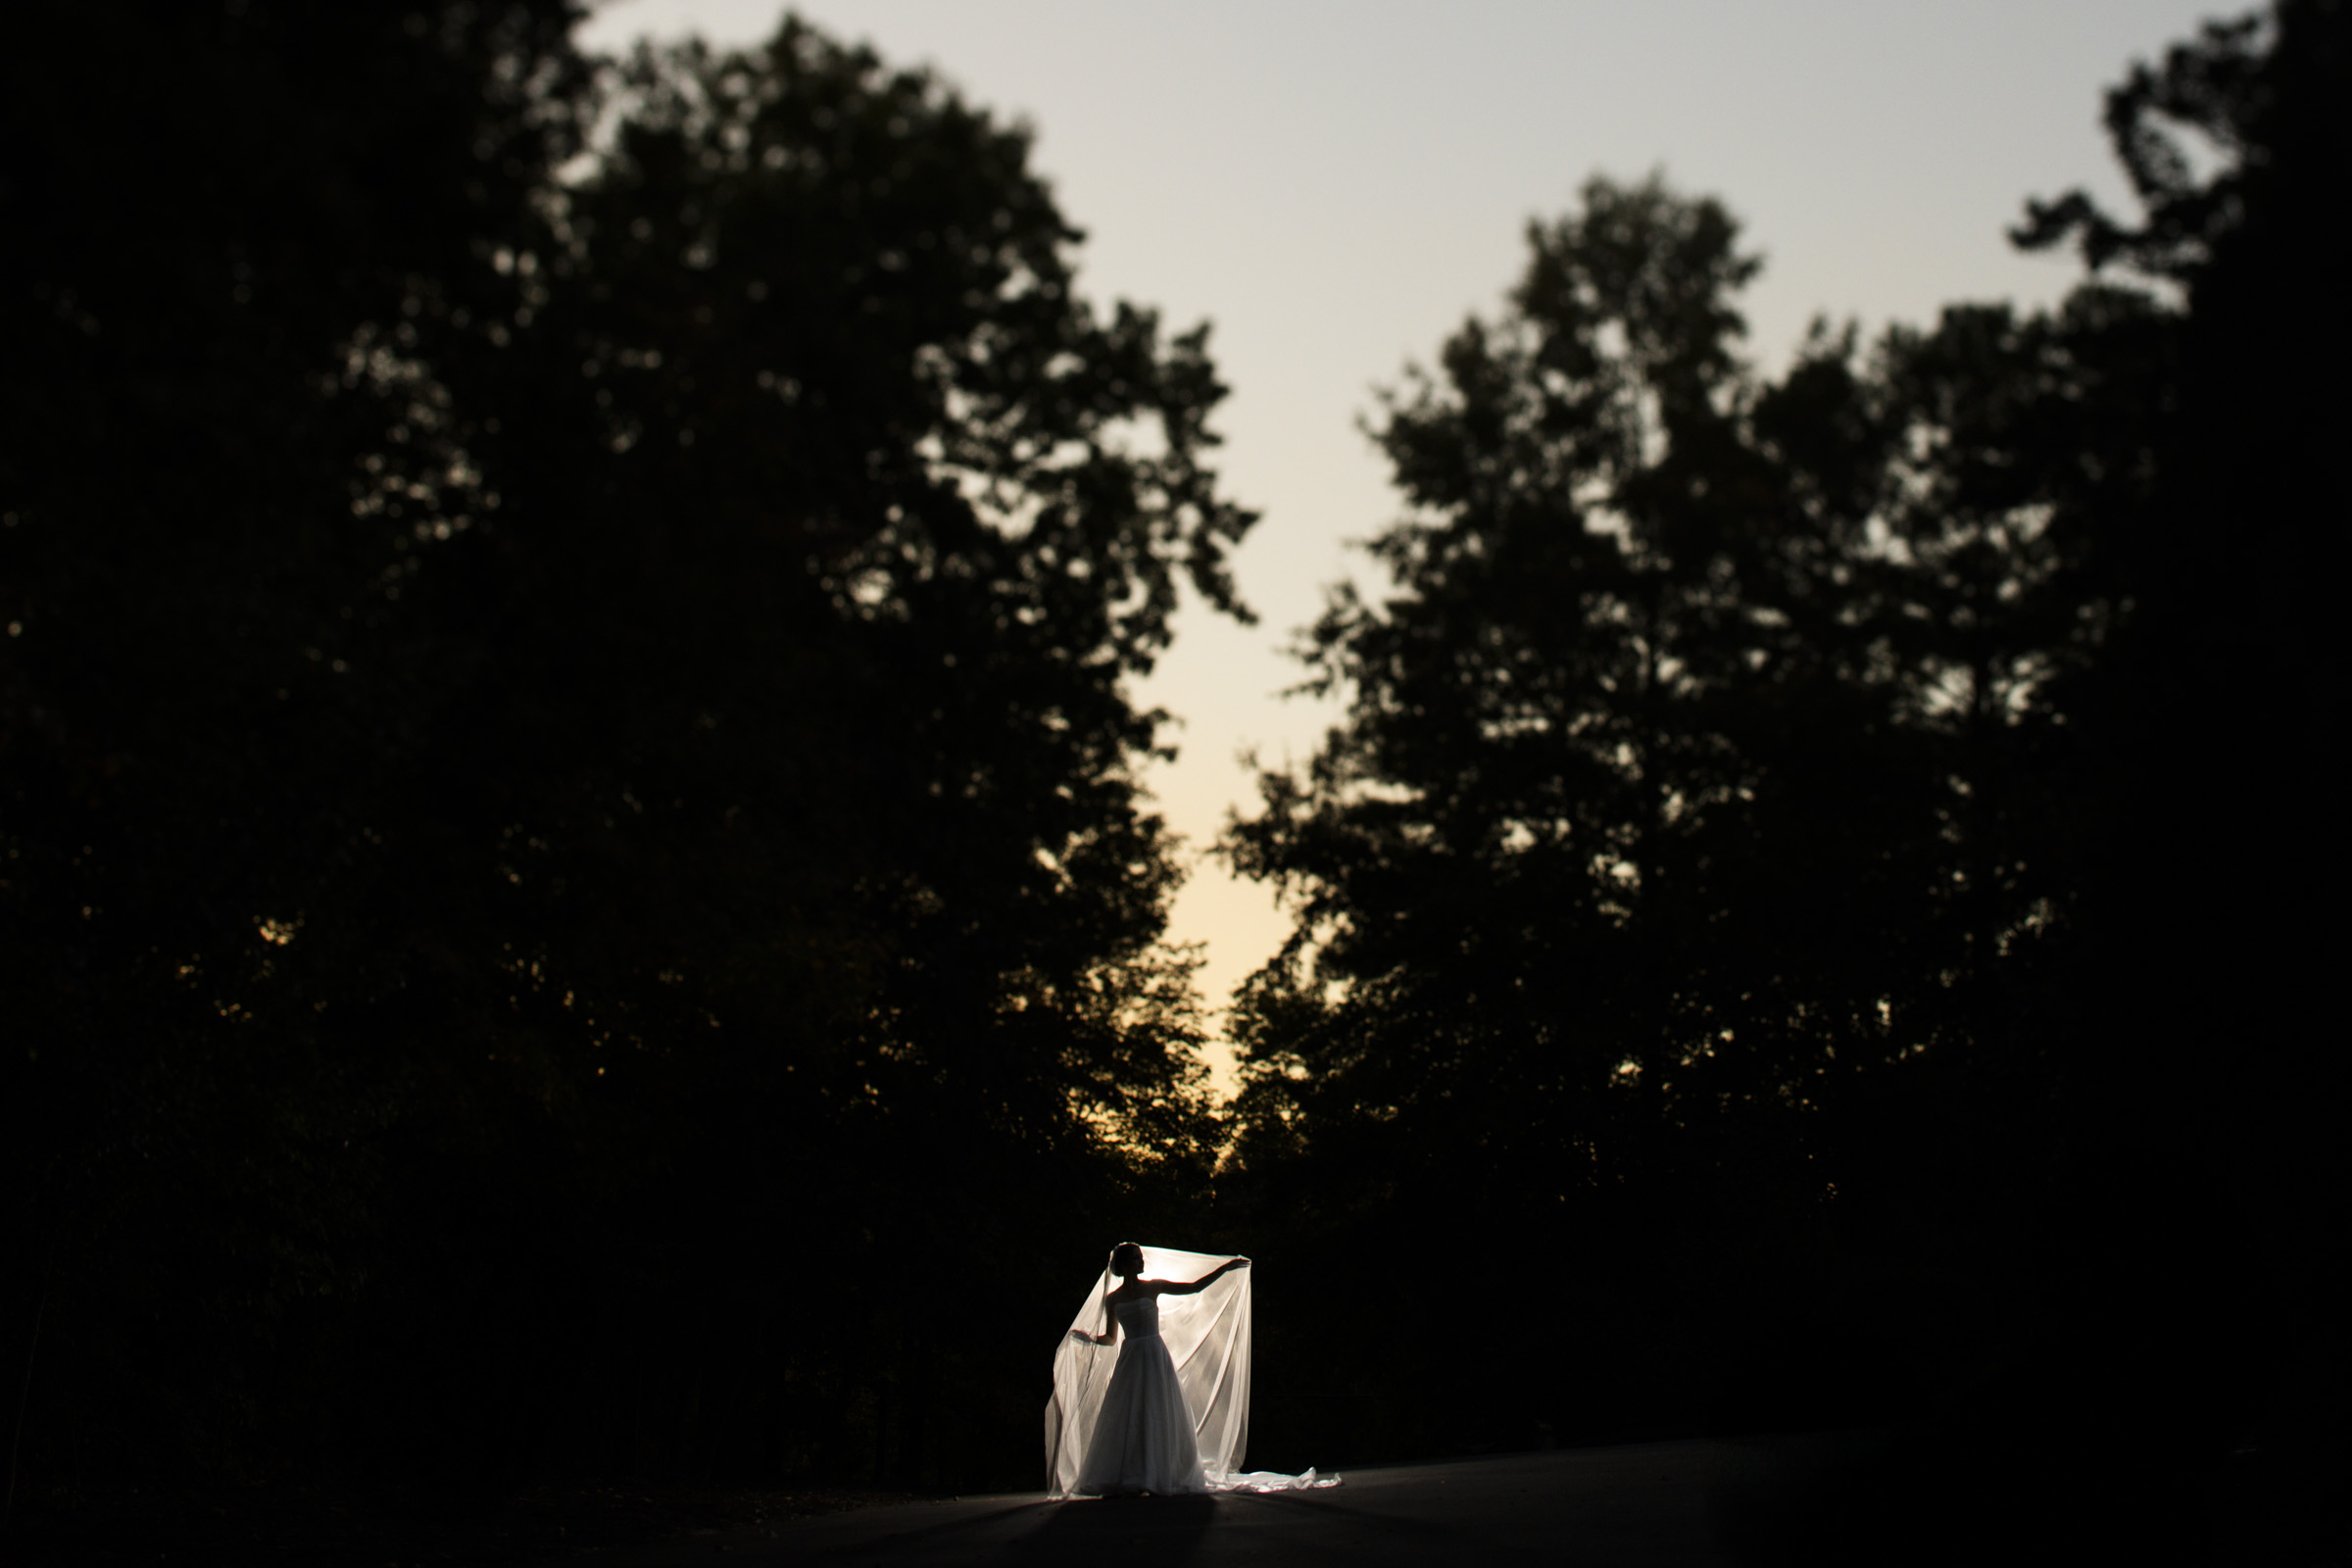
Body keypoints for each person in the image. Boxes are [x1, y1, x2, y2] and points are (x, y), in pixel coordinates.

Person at [1067, 1243, 1249, 1496]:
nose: (1142, 1262)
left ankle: (1158, 1472)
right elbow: (1110, 1338)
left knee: (1156, 1410)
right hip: (1130, 1359)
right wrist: (1089, 1339)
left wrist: (1225, 1268)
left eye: (1141, 1258)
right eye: (1137, 1258)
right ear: (1125, 1264)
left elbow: (1194, 1287)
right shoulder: (1113, 1299)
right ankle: (1133, 1473)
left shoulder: (1153, 1286)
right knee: (1130, 1414)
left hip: (1154, 1355)